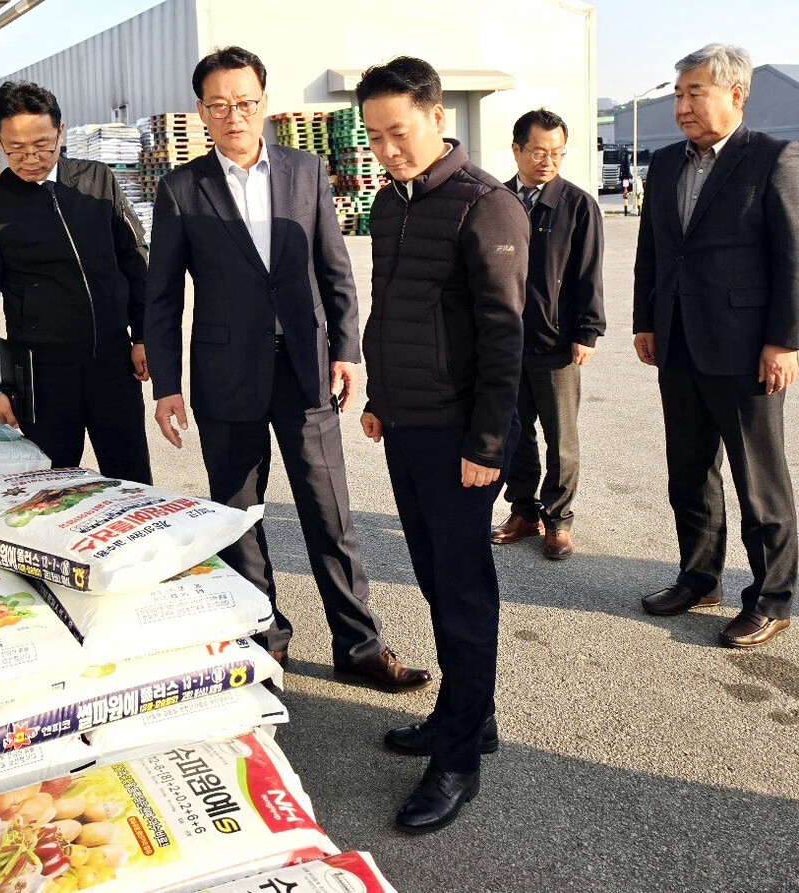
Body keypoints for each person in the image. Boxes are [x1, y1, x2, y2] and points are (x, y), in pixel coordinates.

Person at [144, 46, 430, 693]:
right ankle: (261, 642)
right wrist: (166, 385)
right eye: (219, 105)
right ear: (202, 112)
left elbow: (335, 270)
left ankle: (359, 645)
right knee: (238, 518)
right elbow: (160, 298)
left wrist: (347, 351)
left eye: (245, 102)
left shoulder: (306, 171)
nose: (234, 115)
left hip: (307, 371)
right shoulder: (181, 189)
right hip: (224, 377)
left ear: (264, 103)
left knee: (331, 514)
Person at [356, 57, 527, 831]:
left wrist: (487, 443)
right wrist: (381, 397)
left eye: (398, 132)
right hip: (408, 424)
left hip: (462, 437)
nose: (388, 149)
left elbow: (503, 337)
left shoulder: (485, 205)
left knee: (461, 594)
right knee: (434, 577)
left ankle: (458, 760)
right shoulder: (390, 202)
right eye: (375, 136)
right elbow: (391, 306)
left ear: (435, 115)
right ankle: (469, 712)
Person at [634, 44, 799, 648]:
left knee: (758, 481)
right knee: (689, 471)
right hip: (678, 340)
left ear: (736, 95)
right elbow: (654, 249)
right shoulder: (665, 163)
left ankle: (772, 598)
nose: (681, 106)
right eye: (678, 94)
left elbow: (793, 259)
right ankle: (699, 578)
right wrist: (646, 320)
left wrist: (784, 342)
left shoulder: (774, 158)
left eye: (694, 93)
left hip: (745, 348)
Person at [0, 81, 152, 483]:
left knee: (132, 481)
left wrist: (144, 335)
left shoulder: (97, 181)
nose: (31, 159)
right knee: (53, 488)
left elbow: (135, 260)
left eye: (43, 145)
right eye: (16, 148)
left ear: (61, 131)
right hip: (42, 377)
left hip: (112, 364)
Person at [491, 108, 605, 559]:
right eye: (539, 151)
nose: (548, 161)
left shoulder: (578, 205)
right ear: (516, 149)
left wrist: (587, 331)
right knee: (514, 433)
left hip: (555, 343)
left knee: (561, 439)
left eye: (557, 152)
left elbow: (589, 274)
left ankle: (558, 520)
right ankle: (524, 511)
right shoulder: (496, 200)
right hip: (505, 342)